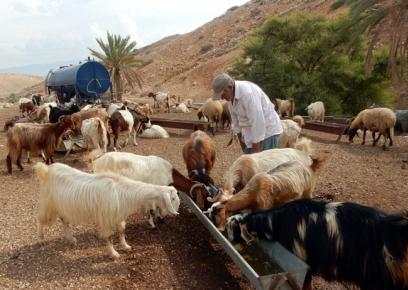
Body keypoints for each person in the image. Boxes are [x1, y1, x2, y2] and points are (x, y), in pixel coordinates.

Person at [212, 73, 282, 154]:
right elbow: (235, 122)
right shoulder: (230, 97)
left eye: (222, 94)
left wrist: (255, 152)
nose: (221, 98)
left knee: (264, 164)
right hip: (250, 133)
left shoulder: (248, 94)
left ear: (230, 87)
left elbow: (258, 122)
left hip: (267, 132)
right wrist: (243, 145)